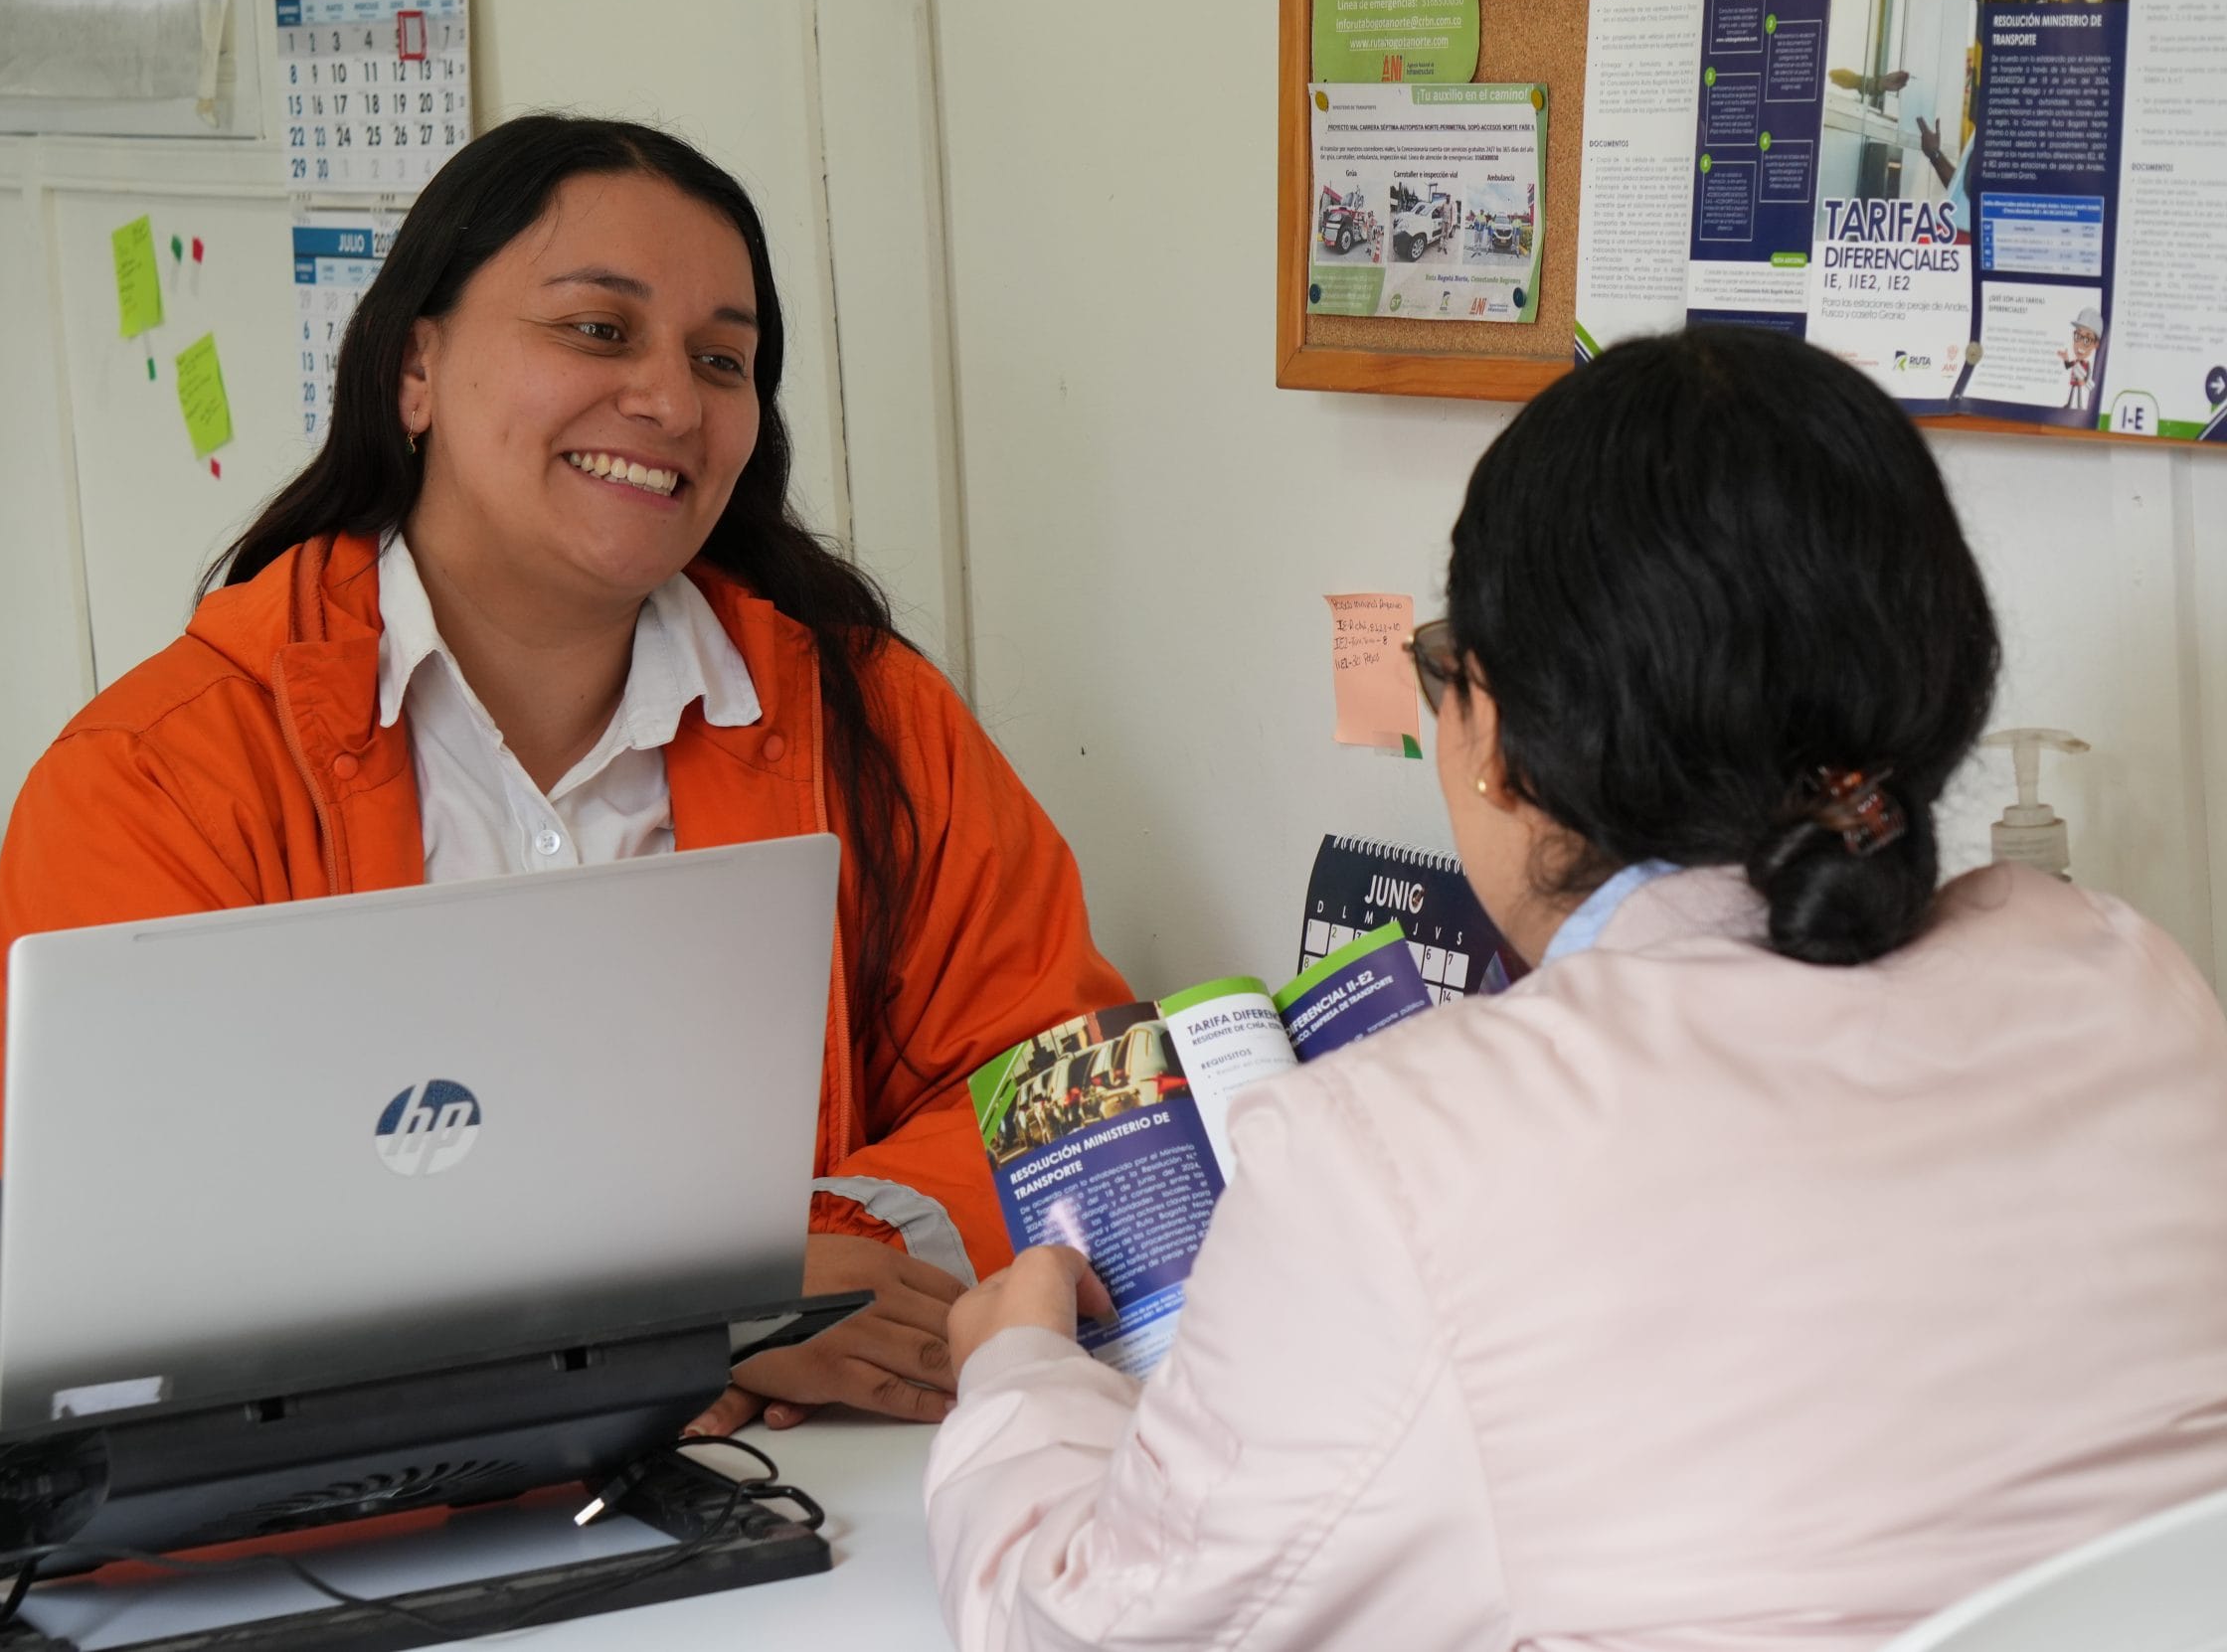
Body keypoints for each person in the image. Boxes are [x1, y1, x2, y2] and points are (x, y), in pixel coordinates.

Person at [924, 325, 2227, 1649]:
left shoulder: (1400, 1161)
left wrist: (1017, 1376)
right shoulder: (2127, 981)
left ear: (1496, 739)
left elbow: (1093, 1634)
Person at [0, 115, 1127, 1435]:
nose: (673, 400)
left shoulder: (868, 722)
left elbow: (1061, 1087)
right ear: (417, 366)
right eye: (597, 330)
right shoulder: (158, 778)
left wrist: (822, 1252)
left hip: (807, 1516)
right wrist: (697, 1321)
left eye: (723, 361)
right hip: (337, 1548)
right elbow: (153, 1282)